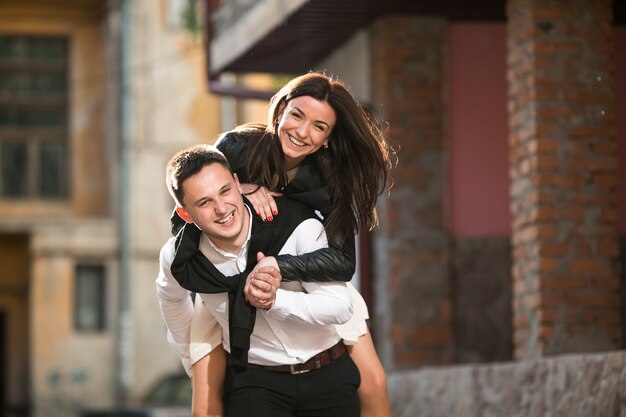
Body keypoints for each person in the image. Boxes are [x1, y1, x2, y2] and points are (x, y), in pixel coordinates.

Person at [170, 72, 393, 417]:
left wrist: (279, 266)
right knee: (206, 404)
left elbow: (343, 261)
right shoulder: (235, 147)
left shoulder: (329, 180)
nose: (302, 132)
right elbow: (183, 216)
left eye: (319, 127)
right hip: (228, 281)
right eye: (297, 116)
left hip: (305, 278)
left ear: (327, 141)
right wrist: (240, 188)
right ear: (280, 112)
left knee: (375, 384)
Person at [158, 144, 361, 417]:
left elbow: (340, 307)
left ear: (238, 184)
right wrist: (189, 356)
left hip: (326, 372)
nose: (221, 209)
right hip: (254, 383)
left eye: (225, 191)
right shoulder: (180, 257)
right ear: (185, 214)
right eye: (204, 203)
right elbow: (171, 297)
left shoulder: (297, 225)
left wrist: (275, 299)